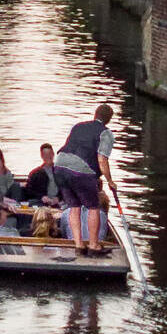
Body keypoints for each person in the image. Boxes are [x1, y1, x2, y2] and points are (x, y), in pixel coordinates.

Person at [52, 104, 118, 256]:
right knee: (93, 207)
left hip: (60, 166)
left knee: (74, 206)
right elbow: (102, 160)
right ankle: (94, 246)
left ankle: (79, 245)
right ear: (109, 119)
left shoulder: (78, 126)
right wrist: (110, 181)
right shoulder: (106, 133)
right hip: (81, 171)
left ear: (95, 114)